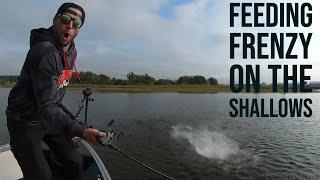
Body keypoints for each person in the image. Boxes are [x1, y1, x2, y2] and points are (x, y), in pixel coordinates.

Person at [5, 2, 105, 180]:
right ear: (56, 20)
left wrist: (73, 128)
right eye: (66, 19)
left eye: (77, 23)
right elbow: (48, 105)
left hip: (48, 119)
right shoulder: (44, 52)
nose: (70, 25)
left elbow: (54, 99)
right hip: (24, 122)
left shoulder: (71, 52)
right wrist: (80, 131)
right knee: (40, 176)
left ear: (79, 30)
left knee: (74, 162)